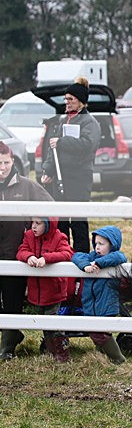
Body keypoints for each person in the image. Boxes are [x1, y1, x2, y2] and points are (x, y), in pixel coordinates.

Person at [0, 141, 53, 360]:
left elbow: (51, 209)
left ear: (12, 161)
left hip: (16, 255)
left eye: (5, 162)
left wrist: (34, 235)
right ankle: (12, 335)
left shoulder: (27, 186)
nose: (1, 167)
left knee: (13, 301)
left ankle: (7, 347)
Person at [40, 77, 101, 253]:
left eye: (70, 99)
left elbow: (87, 145)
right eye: (65, 99)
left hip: (79, 179)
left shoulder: (90, 123)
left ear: (80, 102)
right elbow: (53, 149)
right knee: (61, 220)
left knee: (79, 220)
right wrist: (48, 169)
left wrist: (61, 141)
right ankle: (62, 252)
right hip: (60, 177)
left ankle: (80, 255)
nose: (66, 102)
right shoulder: (63, 120)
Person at [15, 217, 74, 362]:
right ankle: (50, 350)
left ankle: (62, 354)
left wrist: (46, 258)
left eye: (38, 223)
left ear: (48, 225)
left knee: (53, 322)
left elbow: (68, 253)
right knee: (44, 322)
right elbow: (21, 251)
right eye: (32, 223)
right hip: (37, 291)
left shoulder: (59, 237)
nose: (33, 226)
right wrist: (28, 256)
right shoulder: (29, 236)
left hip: (54, 290)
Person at [71, 225, 128, 364]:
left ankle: (117, 359)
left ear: (112, 244)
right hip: (90, 304)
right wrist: (86, 266)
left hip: (106, 304)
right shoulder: (91, 257)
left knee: (99, 332)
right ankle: (103, 355)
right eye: (96, 243)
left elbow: (119, 257)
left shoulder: (114, 257)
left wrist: (99, 263)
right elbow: (76, 256)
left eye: (101, 244)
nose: (97, 247)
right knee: (97, 332)